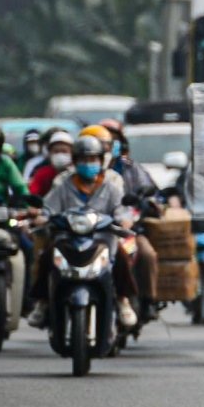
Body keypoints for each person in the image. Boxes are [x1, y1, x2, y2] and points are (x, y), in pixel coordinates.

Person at [27, 134, 140, 331]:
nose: (88, 164)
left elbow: (121, 210)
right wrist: (42, 217)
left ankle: (123, 300)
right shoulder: (64, 184)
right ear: (75, 162)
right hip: (68, 239)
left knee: (122, 256)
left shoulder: (111, 186)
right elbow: (48, 208)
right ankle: (42, 303)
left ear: (100, 161)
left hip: (103, 239)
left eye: (92, 159)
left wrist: (124, 219)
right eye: (83, 160)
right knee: (47, 256)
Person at [95, 120, 161, 311]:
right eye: (102, 142)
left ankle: (146, 300)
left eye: (112, 141)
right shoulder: (79, 172)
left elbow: (151, 192)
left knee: (146, 254)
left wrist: (146, 205)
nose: (107, 146)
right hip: (91, 230)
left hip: (125, 229)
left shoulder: (129, 167)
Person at [28, 130, 74, 200]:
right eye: (56, 151)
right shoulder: (43, 173)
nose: (60, 155)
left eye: (64, 151)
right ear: (50, 154)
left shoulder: (77, 174)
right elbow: (33, 193)